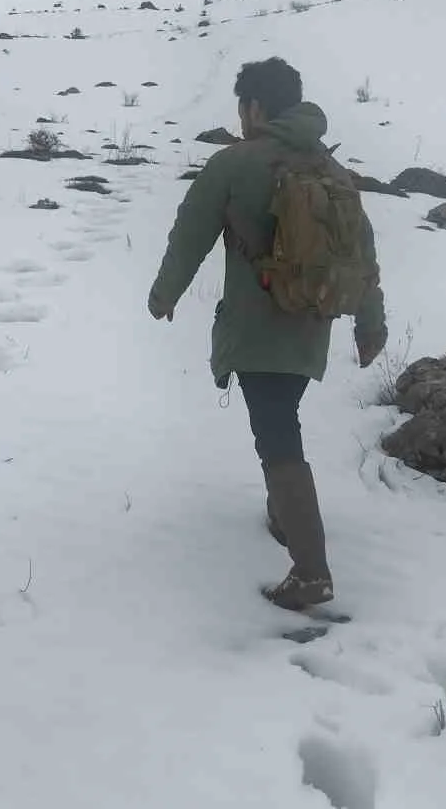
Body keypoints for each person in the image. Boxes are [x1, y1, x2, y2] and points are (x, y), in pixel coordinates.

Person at [148, 57, 388, 610]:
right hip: (312, 322)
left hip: (258, 325)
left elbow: (190, 233)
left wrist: (165, 294)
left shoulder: (236, 162)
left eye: (242, 106)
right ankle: (284, 517)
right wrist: (370, 323)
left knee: (277, 433)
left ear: (254, 107)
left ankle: (310, 571)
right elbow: (363, 253)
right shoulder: (329, 167)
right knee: (281, 417)